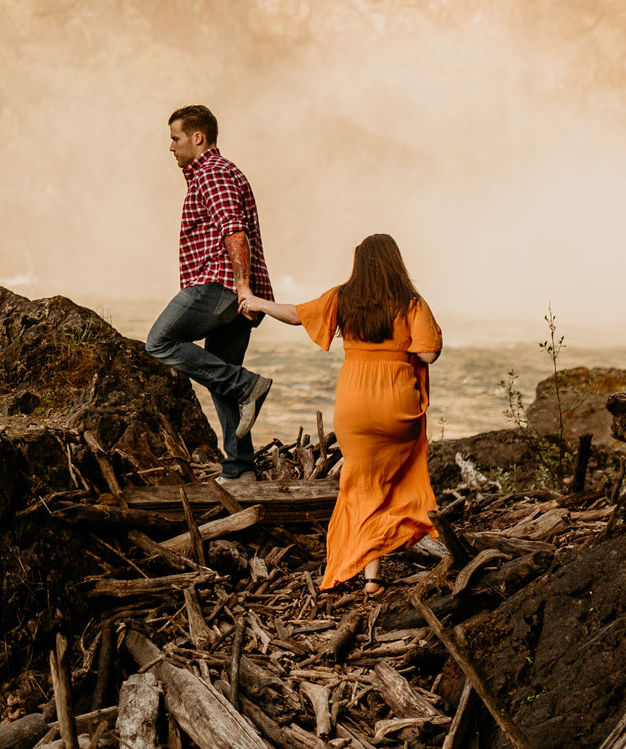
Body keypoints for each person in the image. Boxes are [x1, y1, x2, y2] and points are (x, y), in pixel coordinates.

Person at [241, 234, 442, 596]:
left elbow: (295, 314)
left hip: (354, 405)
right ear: (396, 262)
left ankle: (369, 576)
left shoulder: (344, 297)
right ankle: (379, 563)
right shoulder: (411, 302)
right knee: (394, 481)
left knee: (362, 484)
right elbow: (428, 355)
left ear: (359, 264)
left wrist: (256, 301)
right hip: (397, 407)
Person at [145, 105, 275, 482]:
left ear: (197, 138)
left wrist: (243, 289)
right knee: (222, 376)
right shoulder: (216, 172)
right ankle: (240, 469)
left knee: (159, 341)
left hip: (220, 285)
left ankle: (249, 385)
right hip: (234, 289)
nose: (170, 147)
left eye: (175, 138)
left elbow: (234, 231)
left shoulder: (213, 173)